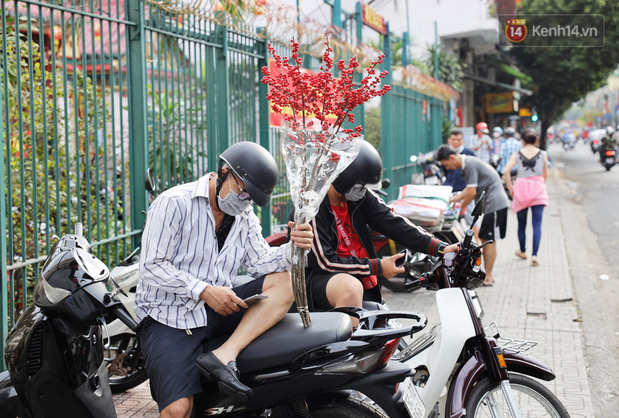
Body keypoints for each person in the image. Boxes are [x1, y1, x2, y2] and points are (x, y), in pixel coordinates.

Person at [134, 141, 314, 417]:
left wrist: (294, 247)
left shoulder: (243, 215)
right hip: (168, 317)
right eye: (243, 192)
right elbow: (151, 266)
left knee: (284, 282)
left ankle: (224, 355)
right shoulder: (173, 203)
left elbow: (259, 263)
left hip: (219, 308)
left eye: (251, 198)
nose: (245, 202)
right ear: (223, 171)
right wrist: (204, 290)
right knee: (178, 410)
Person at [306, 141, 459, 322]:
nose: (363, 190)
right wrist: (378, 266)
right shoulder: (311, 206)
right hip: (327, 283)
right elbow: (325, 262)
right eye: (360, 184)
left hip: (364, 278)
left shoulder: (357, 196)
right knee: (351, 295)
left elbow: (391, 222)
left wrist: (440, 248)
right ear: (344, 178)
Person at [436, 145, 509, 286]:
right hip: (492, 204)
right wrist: (455, 199)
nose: (449, 168)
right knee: (485, 237)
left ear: (451, 157)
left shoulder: (469, 164)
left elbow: (471, 192)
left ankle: (488, 277)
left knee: (488, 239)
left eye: (447, 165)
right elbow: (468, 189)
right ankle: (487, 275)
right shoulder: (468, 163)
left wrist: (461, 209)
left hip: (495, 203)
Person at [502, 130, 549, 267]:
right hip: (538, 190)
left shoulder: (517, 154)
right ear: (535, 140)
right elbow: (545, 174)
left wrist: (511, 188)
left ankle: (523, 251)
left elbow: (506, 171)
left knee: (521, 224)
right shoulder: (543, 154)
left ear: (522, 140)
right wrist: (539, 184)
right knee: (537, 225)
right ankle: (534, 255)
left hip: (521, 189)